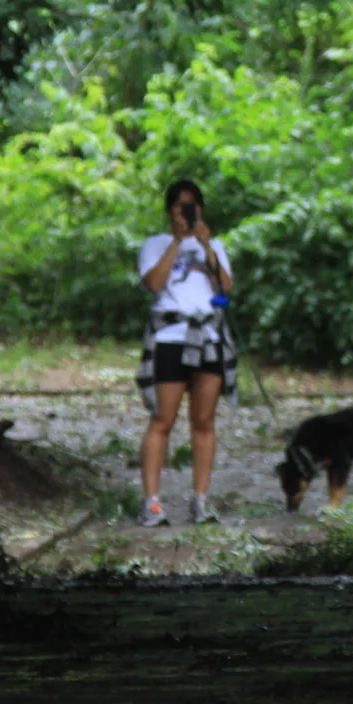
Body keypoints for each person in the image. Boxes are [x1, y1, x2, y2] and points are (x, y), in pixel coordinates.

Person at [133, 178, 235, 528]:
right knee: (163, 419)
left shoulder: (215, 246)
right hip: (171, 337)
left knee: (204, 421)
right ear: (170, 211)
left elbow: (225, 289)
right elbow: (153, 284)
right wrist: (178, 241)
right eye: (181, 206)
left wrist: (205, 246)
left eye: (193, 206)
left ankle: (201, 500)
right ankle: (152, 503)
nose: (187, 212)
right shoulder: (155, 244)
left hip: (207, 336)